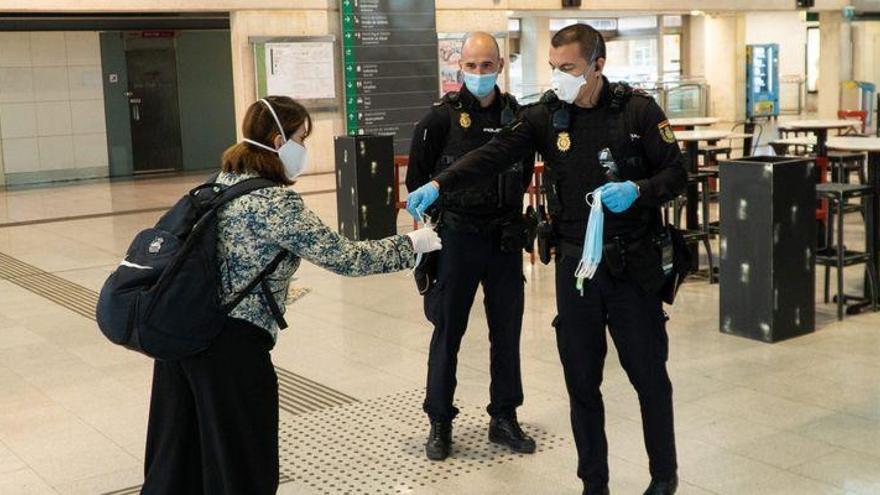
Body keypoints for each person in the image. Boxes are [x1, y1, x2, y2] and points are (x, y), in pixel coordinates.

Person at [406, 24, 686, 495]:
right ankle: (593, 483)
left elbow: (677, 172)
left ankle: (663, 478)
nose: (560, 79)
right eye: (554, 69)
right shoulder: (545, 117)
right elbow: (493, 154)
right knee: (581, 384)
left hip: (631, 266)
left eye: (570, 69)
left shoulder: (637, 111)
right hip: (576, 271)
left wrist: (639, 190)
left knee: (649, 378)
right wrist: (439, 184)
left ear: (598, 64)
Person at [141, 96, 442, 494]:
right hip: (231, 350)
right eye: (300, 137)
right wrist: (413, 244)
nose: (303, 147)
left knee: (180, 461)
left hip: (181, 341)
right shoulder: (275, 203)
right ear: (275, 139)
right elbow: (346, 258)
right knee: (243, 465)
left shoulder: (218, 183)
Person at [406, 32, 536, 461]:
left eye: (487, 65)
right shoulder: (439, 120)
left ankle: (504, 417)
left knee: (507, 332)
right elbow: (418, 181)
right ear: (458, 67)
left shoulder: (519, 116)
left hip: (504, 239)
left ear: (500, 66)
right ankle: (440, 421)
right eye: (471, 66)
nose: (479, 73)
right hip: (456, 239)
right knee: (448, 332)